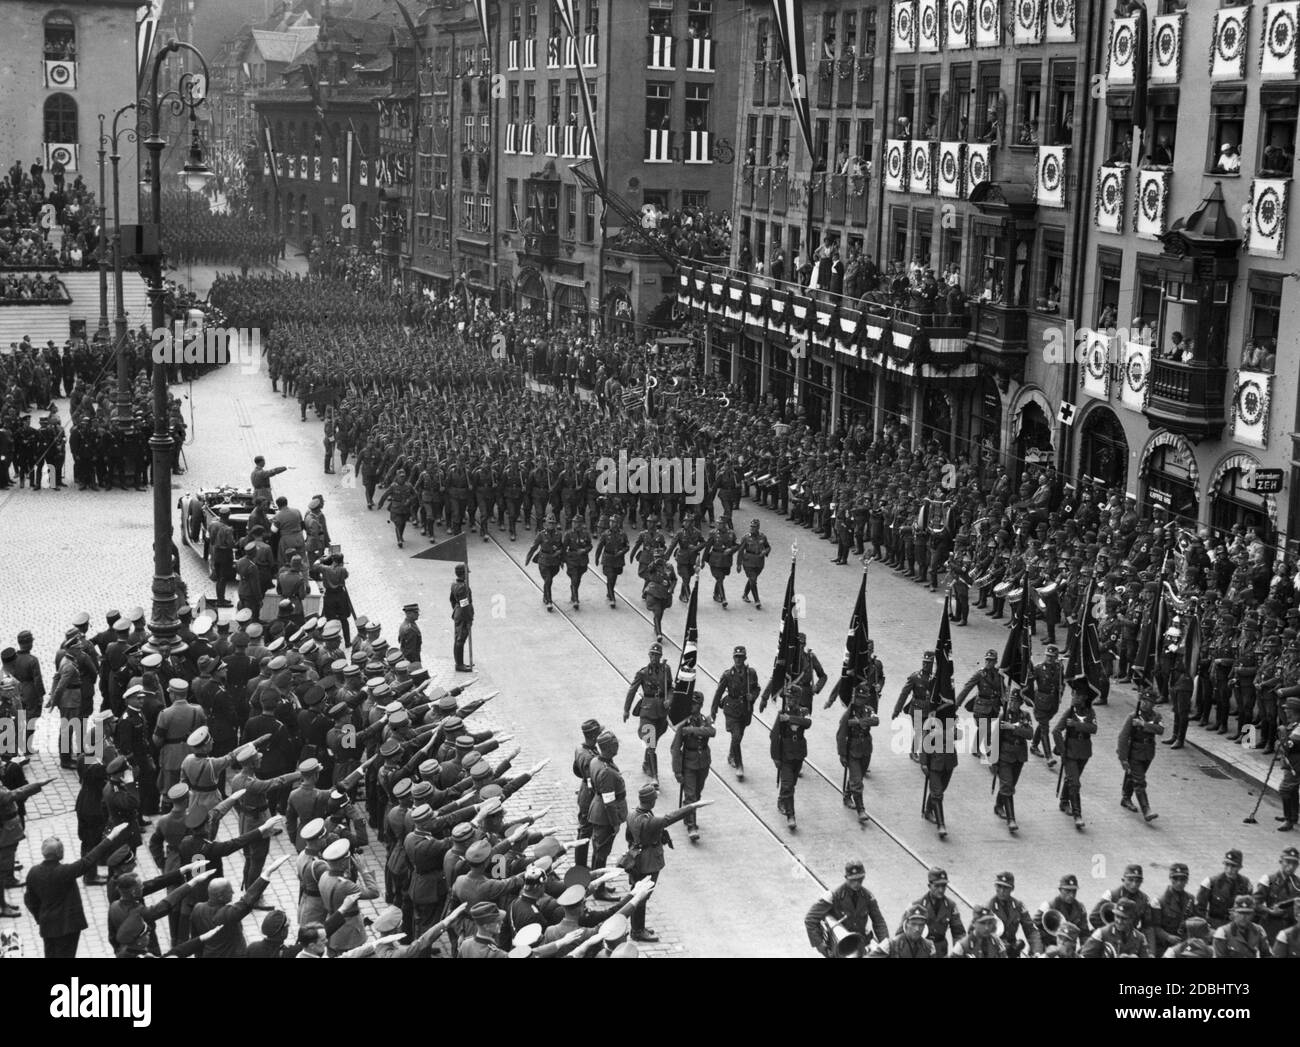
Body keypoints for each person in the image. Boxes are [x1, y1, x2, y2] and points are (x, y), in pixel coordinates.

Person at [23, 823, 129, 956]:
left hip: (47, 925)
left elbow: (29, 900)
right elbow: (89, 859)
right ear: (60, 853)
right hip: (67, 926)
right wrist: (111, 836)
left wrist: (40, 917)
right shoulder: (65, 872)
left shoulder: (33, 872)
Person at [623, 783, 707, 943]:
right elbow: (671, 817)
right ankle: (637, 931)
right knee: (642, 896)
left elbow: (628, 836)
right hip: (649, 862)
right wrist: (694, 805)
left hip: (636, 858)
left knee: (638, 893)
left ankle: (638, 927)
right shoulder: (649, 821)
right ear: (651, 801)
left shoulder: (632, 814)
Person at [804, 859, 888, 956]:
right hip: (839, 948)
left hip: (860, 946)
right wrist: (820, 944)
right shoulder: (834, 896)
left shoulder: (868, 897)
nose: (857, 883)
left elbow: (879, 922)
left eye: (860, 879)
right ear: (846, 878)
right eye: (853, 880)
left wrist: (885, 944)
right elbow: (810, 918)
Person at [624, 642, 673, 784]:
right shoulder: (643, 673)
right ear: (649, 655)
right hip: (647, 712)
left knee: (654, 742)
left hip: (661, 713)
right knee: (651, 743)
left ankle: (647, 763)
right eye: (652, 655)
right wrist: (626, 710)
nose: (654, 658)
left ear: (660, 656)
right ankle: (654, 776)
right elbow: (632, 690)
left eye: (657, 655)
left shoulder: (666, 670)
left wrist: (669, 700)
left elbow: (670, 688)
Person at [669, 692, 714, 841]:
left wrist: (693, 730)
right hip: (688, 763)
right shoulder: (684, 723)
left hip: (704, 762)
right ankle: (692, 826)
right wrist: (677, 770)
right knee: (691, 796)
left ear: (700, 706)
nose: (693, 707)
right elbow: (675, 748)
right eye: (691, 704)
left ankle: (687, 814)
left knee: (698, 793)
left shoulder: (705, 719)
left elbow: (712, 731)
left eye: (695, 704)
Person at [1052, 682, 1097, 830]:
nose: (1074, 697)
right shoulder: (1069, 712)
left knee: (1072, 779)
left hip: (1084, 751)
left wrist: (1076, 725)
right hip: (1070, 752)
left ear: (1084, 698)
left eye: (1078, 695)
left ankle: (1064, 800)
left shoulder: (1090, 712)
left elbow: (1093, 728)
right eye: (1074, 694)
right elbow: (1056, 731)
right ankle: (1078, 815)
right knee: (1075, 783)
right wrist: (1062, 750)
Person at [711, 645, 759, 779]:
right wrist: (713, 711)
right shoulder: (728, 675)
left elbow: (757, 688)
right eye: (736, 657)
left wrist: (753, 696)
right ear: (733, 658)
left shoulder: (751, 673)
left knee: (739, 735)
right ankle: (739, 765)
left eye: (741, 657)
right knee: (736, 736)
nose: (738, 660)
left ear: (745, 658)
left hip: (745, 709)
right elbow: (718, 692)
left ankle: (732, 755)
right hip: (731, 709)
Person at [1118, 690, 1164, 821]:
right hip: (1135, 752)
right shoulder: (1133, 716)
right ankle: (1146, 809)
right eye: (1143, 701)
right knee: (1140, 781)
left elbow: (1160, 730)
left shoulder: (1156, 716)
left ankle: (1126, 798)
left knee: (1133, 776)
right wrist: (1123, 758)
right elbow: (1123, 737)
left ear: (1153, 704)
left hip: (1148, 752)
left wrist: (1143, 724)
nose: (1145, 704)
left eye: (1149, 702)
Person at [771, 685, 812, 831]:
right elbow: (774, 736)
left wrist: (790, 719)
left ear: (798, 699)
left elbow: (807, 723)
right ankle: (791, 816)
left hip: (799, 754)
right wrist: (775, 757)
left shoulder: (803, 711)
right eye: (788, 698)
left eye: (793, 698)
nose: (790, 701)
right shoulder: (782, 713)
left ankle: (782, 799)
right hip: (785, 755)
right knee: (788, 785)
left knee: (792, 784)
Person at [836, 684, 878, 824]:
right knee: (857, 781)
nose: (859, 701)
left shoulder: (869, 709)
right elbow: (841, 734)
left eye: (862, 698)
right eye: (857, 698)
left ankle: (847, 794)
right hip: (852, 749)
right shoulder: (849, 713)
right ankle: (861, 810)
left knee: (858, 776)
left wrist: (859, 722)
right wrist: (842, 754)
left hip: (866, 748)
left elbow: (875, 720)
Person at [992, 688, 1033, 832]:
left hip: (1019, 755)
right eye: (1011, 701)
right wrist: (993, 761)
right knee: (1008, 786)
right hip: (1005, 756)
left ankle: (998, 805)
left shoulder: (1025, 716)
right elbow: (995, 738)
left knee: (1010, 784)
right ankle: (1011, 820)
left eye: (1016, 702)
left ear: (1021, 703)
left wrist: (1013, 728)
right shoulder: (1004, 715)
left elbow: (1030, 734)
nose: (1012, 704)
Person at [1081, 897, 1150, 957]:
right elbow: (1084, 955)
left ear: (1132, 919)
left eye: (1124, 918)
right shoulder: (1101, 934)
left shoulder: (1140, 938)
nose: (1119, 921)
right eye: (1117, 916)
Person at [867, 905, 935, 957]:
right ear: (906, 924)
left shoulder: (929, 946)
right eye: (913, 924)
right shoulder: (890, 945)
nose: (917, 929)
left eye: (921, 925)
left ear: (924, 927)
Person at [449, 565, 474, 671]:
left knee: (458, 638)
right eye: (466, 573)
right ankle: (459, 665)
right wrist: (468, 618)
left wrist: (456, 610)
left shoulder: (454, 584)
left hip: (458, 613)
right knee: (460, 639)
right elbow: (464, 604)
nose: (467, 575)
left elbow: (452, 600)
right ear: (463, 574)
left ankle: (459, 663)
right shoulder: (463, 587)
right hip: (463, 615)